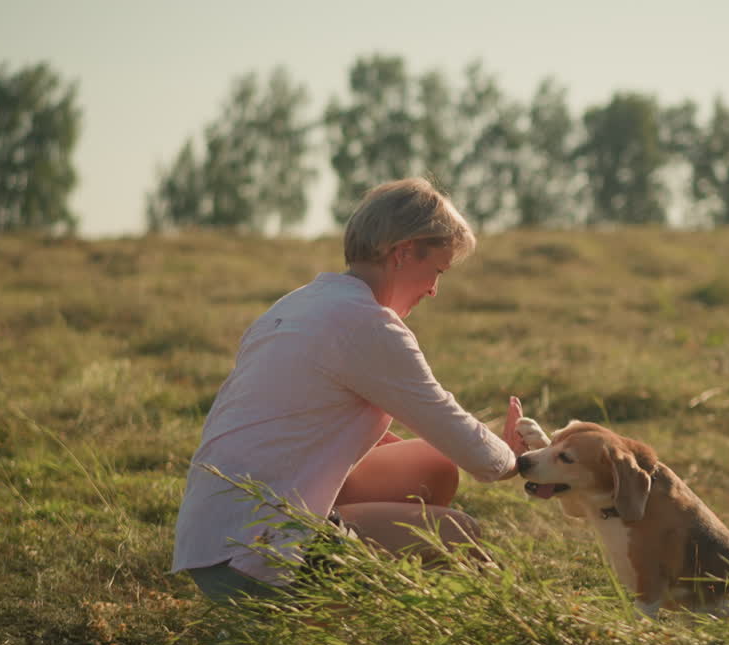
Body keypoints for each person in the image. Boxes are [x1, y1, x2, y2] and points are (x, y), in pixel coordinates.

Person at [171, 178, 526, 602]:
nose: (434, 289)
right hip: (260, 554)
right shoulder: (369, 324)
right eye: (437, 270)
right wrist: (521, 461)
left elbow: (303, 423)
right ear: (404, 252)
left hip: (206, 538)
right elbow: (467, 442)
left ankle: (354, 593)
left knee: (432, 464)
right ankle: (360, 622)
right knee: (457, 533)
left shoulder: (296, 304)